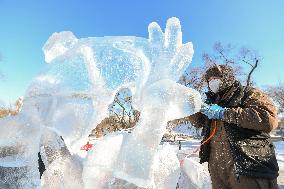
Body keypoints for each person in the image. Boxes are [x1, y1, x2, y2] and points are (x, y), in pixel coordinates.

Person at [186, 64, 279, 189]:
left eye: (215, 78)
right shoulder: (210, 103)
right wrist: (192, 107)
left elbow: (268, 119)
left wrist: (224, 113)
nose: (212, 82)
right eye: (209, 80)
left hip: (250, 164)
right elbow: (198, 122)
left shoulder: (247, 93)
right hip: (217, 166)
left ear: (226, 78)